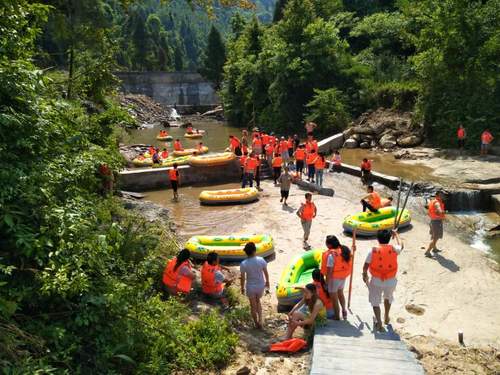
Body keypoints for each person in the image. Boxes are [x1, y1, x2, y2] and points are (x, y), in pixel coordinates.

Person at [362, 229, 403, 331]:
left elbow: (365, 266)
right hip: (390, 280)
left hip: (376, 280)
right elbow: (401, 245)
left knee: (375, 301)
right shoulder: (394, 248)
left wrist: (364, 275)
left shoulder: (372, 250)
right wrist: (396, 234)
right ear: (389, 239)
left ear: (377, 238)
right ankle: (386, 317)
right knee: (388, 297)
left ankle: (379, 323)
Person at [321, 235, 352, 320]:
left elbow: (329, 271)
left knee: (334, 298)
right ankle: (344, 311)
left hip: (334, 279)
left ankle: (337, 316)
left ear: (330, 245)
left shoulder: (331, 255)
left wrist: (326, 284)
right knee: (340, 294)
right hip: (343, 277)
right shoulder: (344, 250)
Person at [240, 242, 270, 329]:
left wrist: (242, 288)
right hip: (260, 285)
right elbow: (265, 272)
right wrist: (267, 281)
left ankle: (256, 323)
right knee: (258, 301)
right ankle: (261, 320)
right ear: (254, 250)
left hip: (250, 287)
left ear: (246, 252)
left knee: (252, 306)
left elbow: (243, 278)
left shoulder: (243, 264)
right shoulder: (261, 260)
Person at [425, 190, 445, 257]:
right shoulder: (437, 203)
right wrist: (441, 212)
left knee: (434, 236)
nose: (442, 196)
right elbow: (438, 208)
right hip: (436, 222)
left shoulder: (432, 201)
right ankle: (427, 251)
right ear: (437, 195)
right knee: (435, 237)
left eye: (442, 195)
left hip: (433, 221)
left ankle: (434, 248)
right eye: (440, 195)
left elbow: (429, 209)